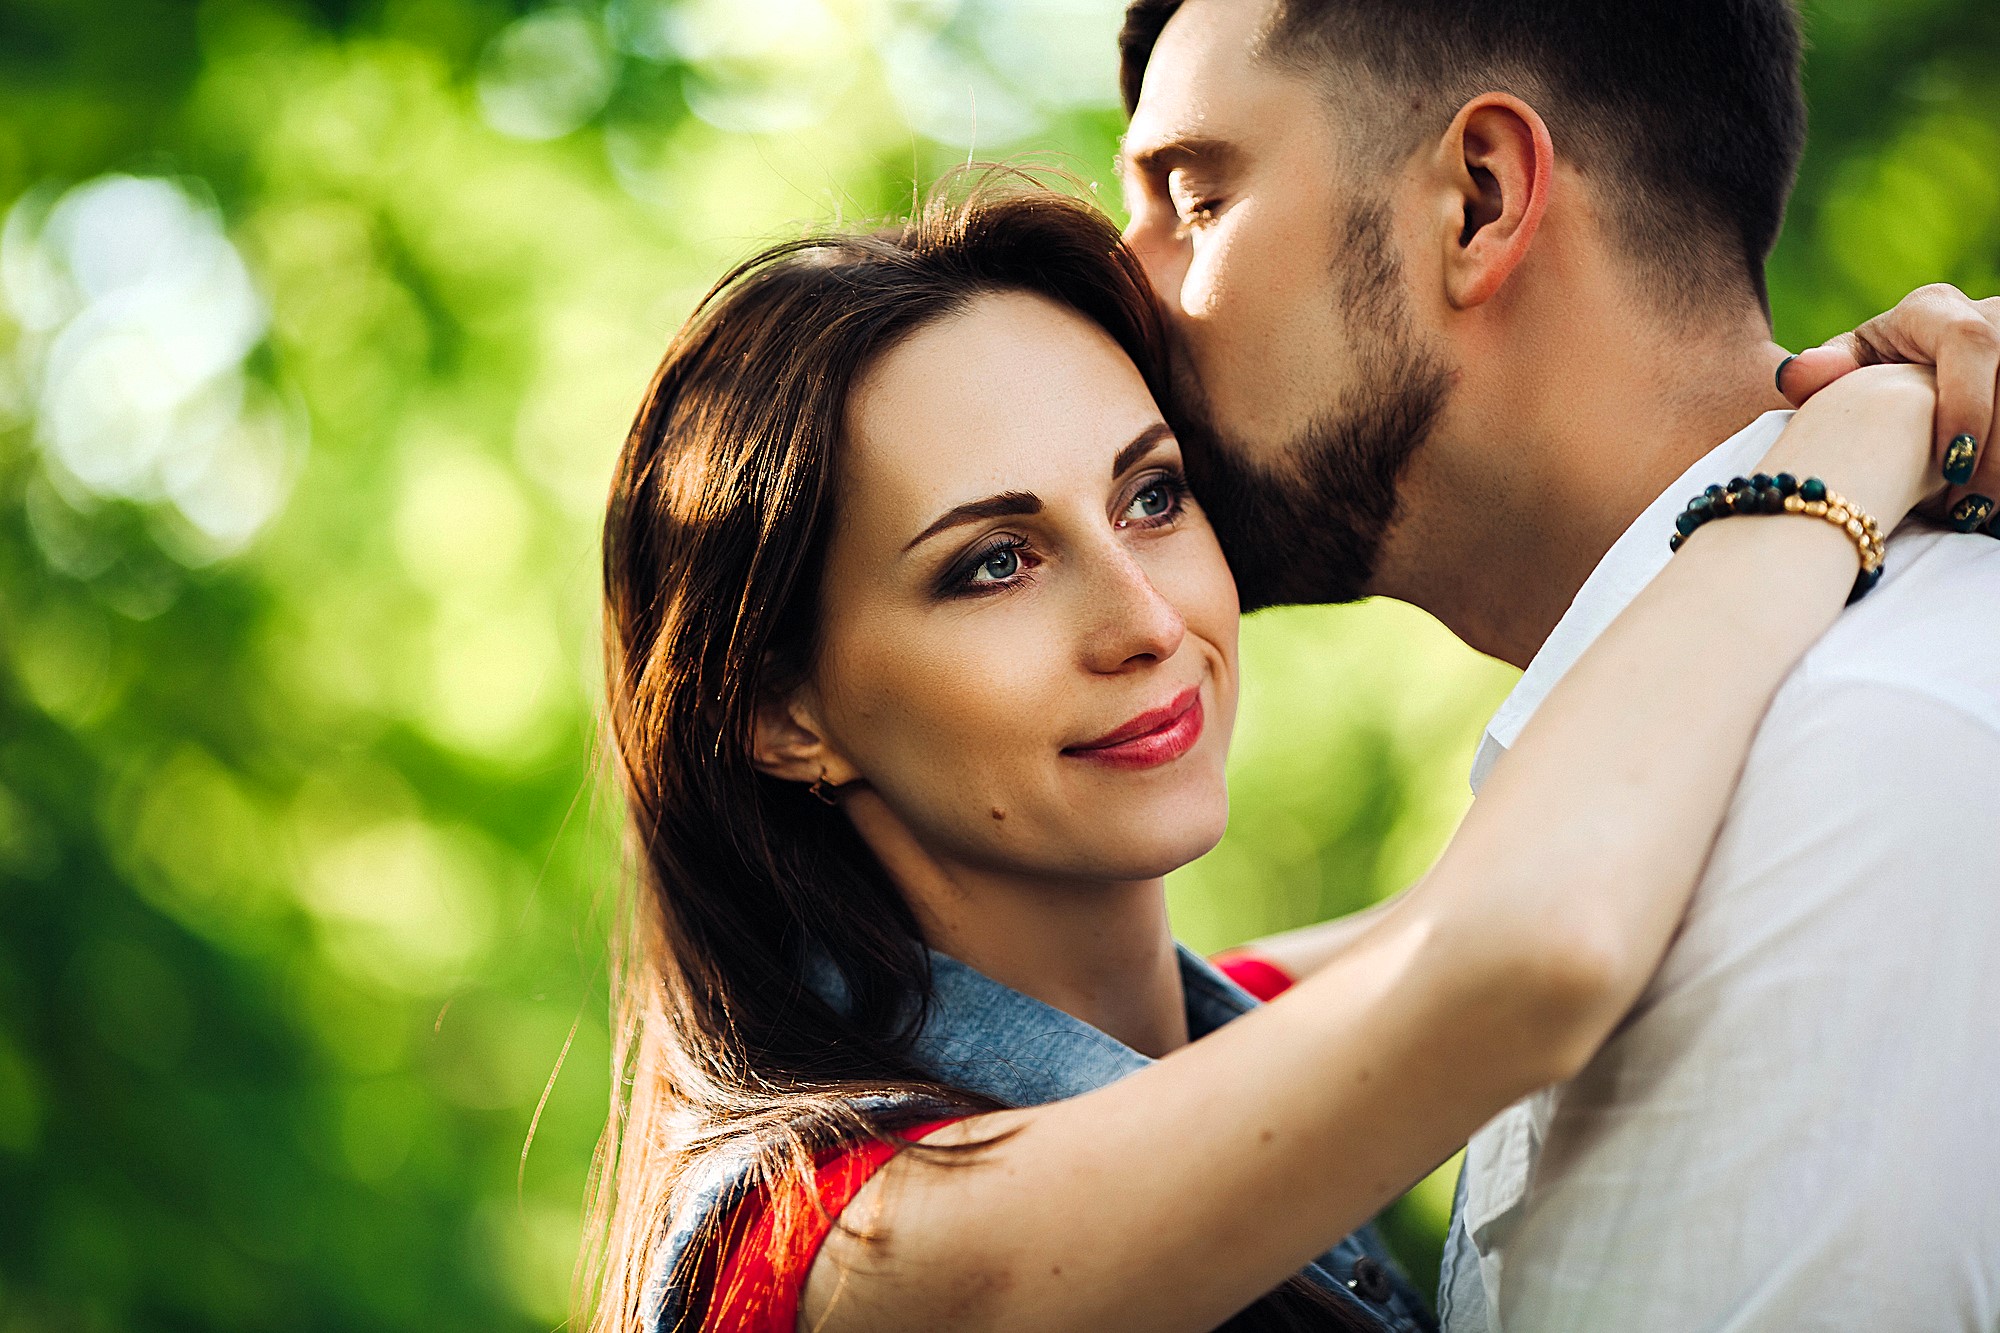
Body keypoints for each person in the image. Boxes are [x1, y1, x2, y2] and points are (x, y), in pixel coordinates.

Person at [577, 176, 1960, 1333]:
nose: (1144, 618)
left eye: (1153, 494)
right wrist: (1838, 454)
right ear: (781, 713)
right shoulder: (852, 1253)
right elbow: (1523, 948)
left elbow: (1521, 876)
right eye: (994, 563)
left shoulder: (1202, 1024)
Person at [1114, 1, 2000, 1328]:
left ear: (1479, 199)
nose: (1121, 290)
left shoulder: (1858, 768)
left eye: (1194, 199)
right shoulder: (1668, 776)